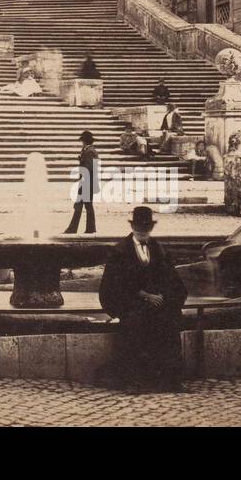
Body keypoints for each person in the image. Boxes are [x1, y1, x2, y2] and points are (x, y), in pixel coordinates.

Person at [99, 205, 188, 392]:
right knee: (134, 326)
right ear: (132, 227)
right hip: (132, 303)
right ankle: (135, 380)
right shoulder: (120, 251)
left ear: (151, 228)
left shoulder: (159, 250)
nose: (142, 231)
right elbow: (115, 283)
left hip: (158, 303)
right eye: (139, 226)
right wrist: (144, 296)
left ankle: (171, 380)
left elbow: (171, 279)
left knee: (170, 322)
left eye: (146, 227)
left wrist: (163, 296)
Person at [63, 131, 99, 234]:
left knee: (80, 206)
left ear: (84, 141)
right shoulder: (89, 150)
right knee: (86, 206)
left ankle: (73, 229)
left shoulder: (89, 151)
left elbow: (89, 168)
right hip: (88, 181)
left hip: (86, 182)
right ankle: (89, 228)